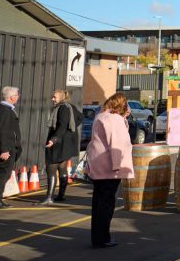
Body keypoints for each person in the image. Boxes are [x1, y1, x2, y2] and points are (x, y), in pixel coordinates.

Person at [85, 93, 134, 248]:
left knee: (98, 203)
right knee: (107, 204)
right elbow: (118, 143)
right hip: (109, 167)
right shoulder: (114, 119)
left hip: (98, 166)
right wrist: (118, 165)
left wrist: (124, 118)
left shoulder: (101, 116)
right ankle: (103, 238)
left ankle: (97, 237)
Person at [43, 90, 79, 205]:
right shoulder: (71, 107)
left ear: (62, 97)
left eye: (54, 97)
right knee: (62, 168)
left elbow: (62, 125)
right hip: (67, 143)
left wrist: (54, 139)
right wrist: (70, 131)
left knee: (51, 167)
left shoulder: (63, 108)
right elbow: (80, 117)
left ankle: (49, 198)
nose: (52, 99)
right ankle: (61, 195)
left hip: (59, 143)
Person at [0, 86, 22, 209]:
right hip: (6, 150)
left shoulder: (2, 109)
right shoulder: (5, 111)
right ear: (12, 97)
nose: (18, 98)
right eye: (17, 95)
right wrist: (5, 150)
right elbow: (2, 131)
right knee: (3, 174)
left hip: (5, 148)